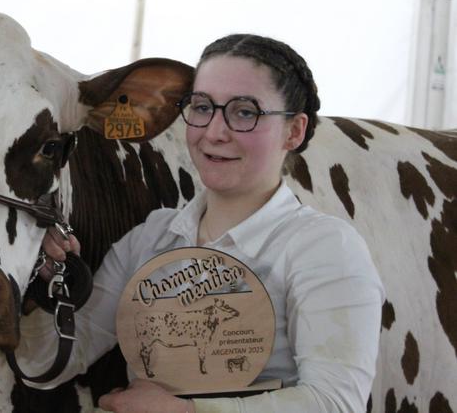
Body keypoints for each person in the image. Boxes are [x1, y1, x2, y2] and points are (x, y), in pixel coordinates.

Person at [19, 34, 385, 412]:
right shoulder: (150, 239)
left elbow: (336, 403)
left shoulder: (324, 247)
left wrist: (184, 411)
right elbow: (48, 364)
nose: (214, 132)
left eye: (245, 112)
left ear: (293, 131)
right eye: (202, 107)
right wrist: (39, 282)